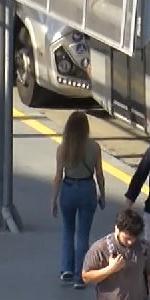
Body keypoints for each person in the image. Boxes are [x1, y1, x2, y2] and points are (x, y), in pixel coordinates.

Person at [53, 111, 105, 288]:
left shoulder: (63, 148)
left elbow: (58, 176)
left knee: (68, 230)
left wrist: (53, 199)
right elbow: (99, 174)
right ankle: (79, 277)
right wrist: (102, 194)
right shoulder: (94, 147)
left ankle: (66, 269)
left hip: (68, 189)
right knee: (83, 234)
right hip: (87, 189)